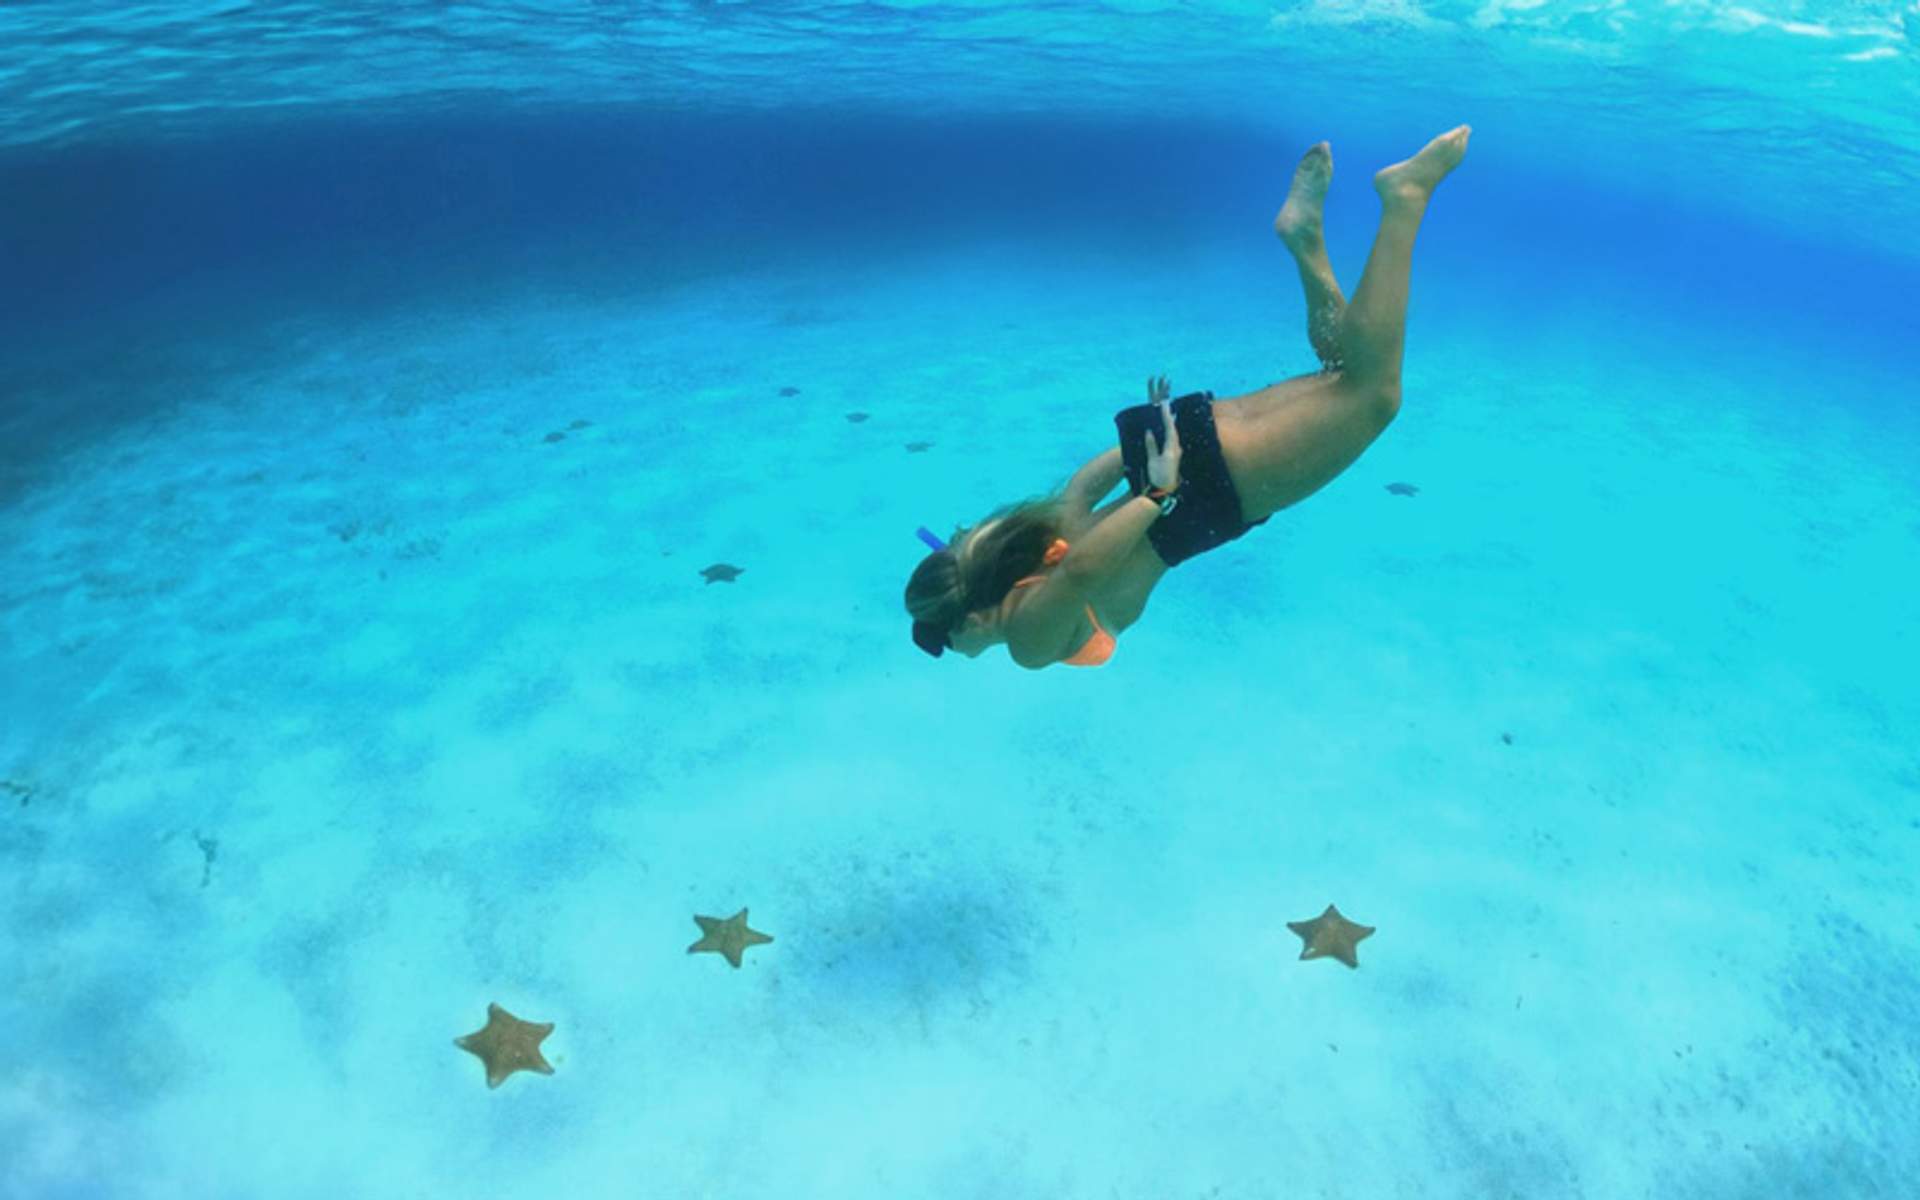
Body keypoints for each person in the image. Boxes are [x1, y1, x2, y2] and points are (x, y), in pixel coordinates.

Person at [905, 126, 1471, 669]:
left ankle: (1405, 196)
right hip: (1185, 451)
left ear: (967, 621)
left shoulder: (1027, 640)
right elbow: (1078, 492)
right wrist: (1158, 438)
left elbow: (1081, 574)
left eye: (944, 642)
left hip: (1204, 496)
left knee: (1374, 395)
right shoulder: (1031, 555)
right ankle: (1305, 240)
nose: (953, 651)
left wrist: (1157, 492)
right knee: (1343, 372)